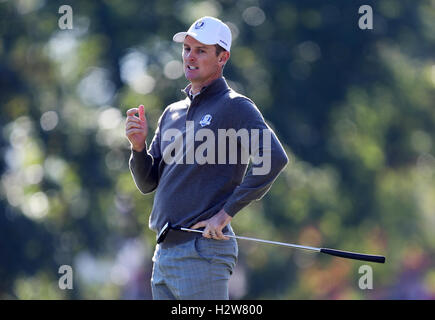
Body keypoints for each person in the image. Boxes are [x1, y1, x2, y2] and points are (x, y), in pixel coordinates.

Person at [125, 16, 289, 300]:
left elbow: (273, 158)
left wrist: (225, 214)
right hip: (163, 254)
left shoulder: (235, 106)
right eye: (187, 48)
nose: (190, 56)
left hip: (202, 252)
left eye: (201, 50)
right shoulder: (171, 113)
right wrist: (138, 147)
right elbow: (147, 182)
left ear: (222, 57)